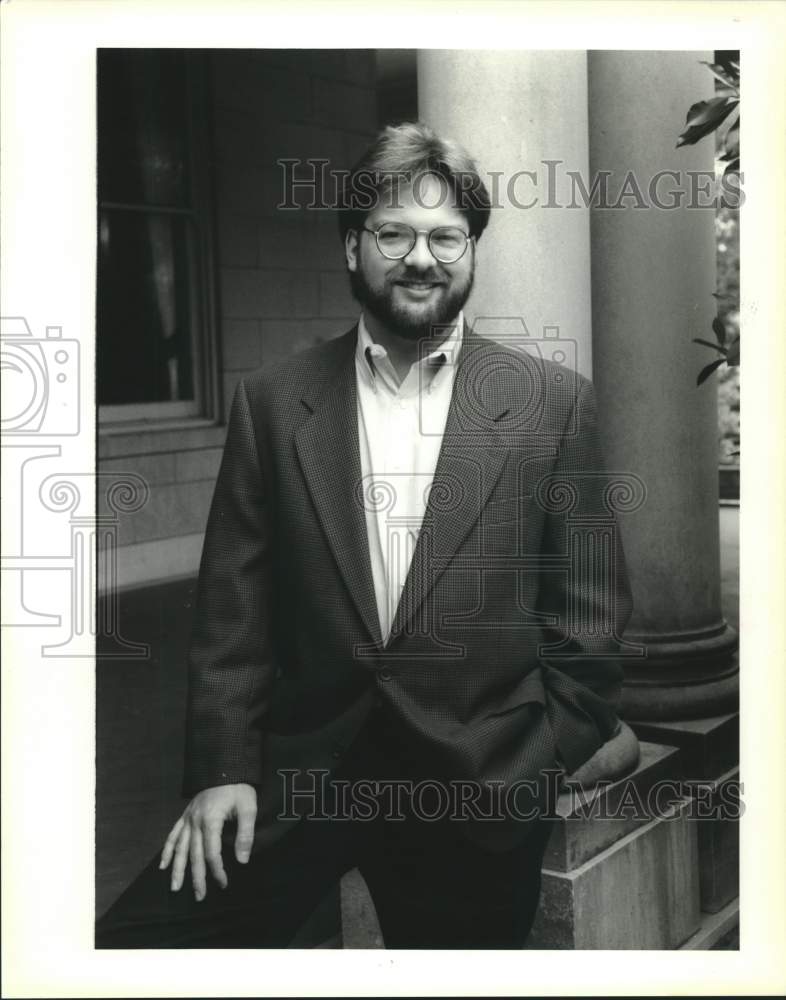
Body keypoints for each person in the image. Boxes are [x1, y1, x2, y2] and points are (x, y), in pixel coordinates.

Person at [96, 121, 638, 950]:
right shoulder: (274, 402)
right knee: (140, 943)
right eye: (393, 233)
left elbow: (590, 620)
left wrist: (531, 763)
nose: (421, 258)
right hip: (300, 774)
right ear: (353, 247)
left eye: (445, 237)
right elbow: (231, 617)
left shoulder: (552, 404)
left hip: (475, 787)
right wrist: (222, 770)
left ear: (472, 251)